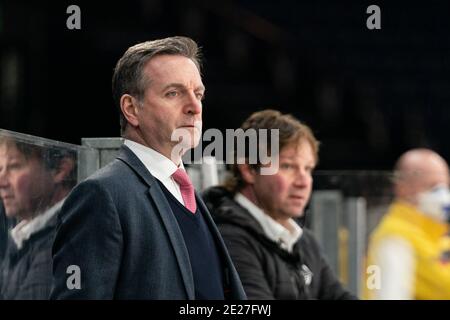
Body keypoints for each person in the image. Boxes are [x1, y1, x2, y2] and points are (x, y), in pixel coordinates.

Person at [50, 36, 246, 300]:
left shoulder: (185, 191)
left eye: (198, 94)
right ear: (131, 109)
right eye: (173, 93)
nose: (194, 107)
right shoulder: (101, 196)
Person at [202, 109, 356, 300]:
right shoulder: (227, 238)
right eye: (288, 166)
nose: (303, 182)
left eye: (308, 169)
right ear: (249, 169)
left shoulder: (305, 242)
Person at [365, 149, 450, 299]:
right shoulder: (394, 238)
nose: (442, 194)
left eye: (445, 186)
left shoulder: (438, 235)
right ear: (402, 187)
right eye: (432, 186)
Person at [0, 136, 76, 299]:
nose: (2, 181)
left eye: (14, 167)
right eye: (0, 169)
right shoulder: (25, 236)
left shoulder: (63, 240)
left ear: (60, 170)